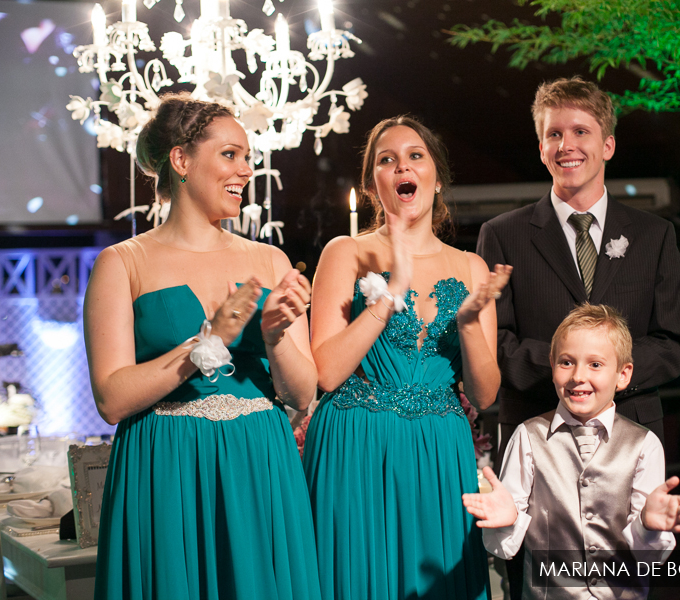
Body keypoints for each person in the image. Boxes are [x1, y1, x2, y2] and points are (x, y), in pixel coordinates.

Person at [84, 93, 322, 600]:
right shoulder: (122, 263)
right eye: (231, 154)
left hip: (259, 460)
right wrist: (208, 342)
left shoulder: (271, 259)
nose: (247, 169)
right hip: (166, 465)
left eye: (249, 157)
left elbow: (302, 396)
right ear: (181, 160)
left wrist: (276, 337)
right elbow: (110, 398)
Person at [302, 115, 510, 600]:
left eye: (415, 155)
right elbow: (327, 373)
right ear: (373, 184)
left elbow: (485, 393)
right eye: (386, 159)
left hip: (438, 451)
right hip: (354, 445)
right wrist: (390, 290)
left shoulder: (471, 267)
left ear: (436, 178)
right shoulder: (345, 253)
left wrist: (467, 325)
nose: (402, 166)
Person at [476, 76, 680, 454]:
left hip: (631, 433)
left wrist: (605, 378)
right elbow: (493, 342)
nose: (567, 146)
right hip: (535, 430)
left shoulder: (654, 235)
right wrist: (569, 377)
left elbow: (674, 342)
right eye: (554, 134)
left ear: (607, 145)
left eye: (581, 131)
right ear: (541, 148)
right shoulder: (501, 235)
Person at [462, 304, 680, 600]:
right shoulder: (527, 436)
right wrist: (508, 520)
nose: (577, 376)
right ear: (552, 367)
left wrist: (647, 526)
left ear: (623, 374)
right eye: (566, 362)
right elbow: (504, 547)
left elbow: (647, 560)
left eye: (595, 364)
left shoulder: (645, 444)